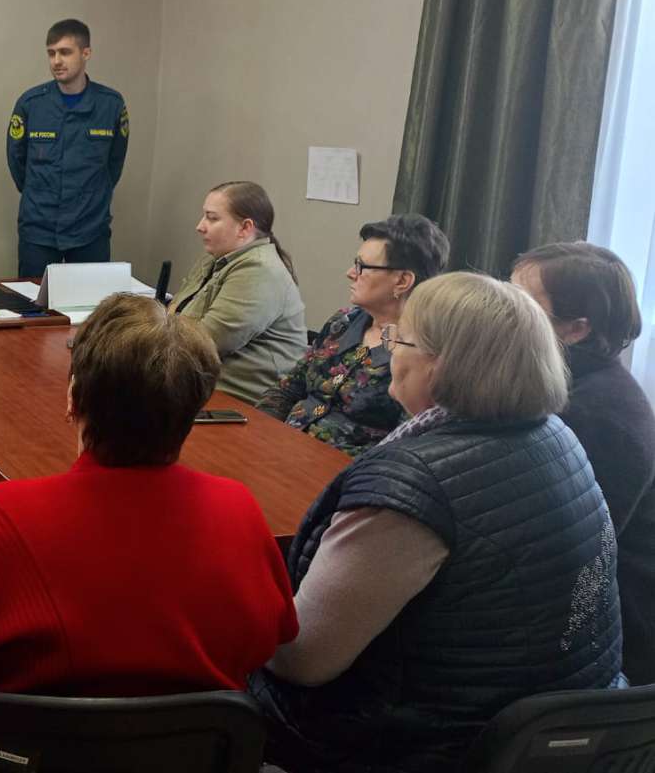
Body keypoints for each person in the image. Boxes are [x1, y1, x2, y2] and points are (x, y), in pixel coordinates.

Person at [0, 293, 298, 768]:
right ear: (193, 412)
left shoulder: (2, 515)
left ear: (73, 398)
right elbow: (269, 640)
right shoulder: (239, 511)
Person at [253, 273, 623, 773]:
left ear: (441, 364)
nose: (390, 352)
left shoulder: (412, 487)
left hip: (426, 748)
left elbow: (303, 659)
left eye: (400, 339)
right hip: (559, 740)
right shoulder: (556, 437)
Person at [512, 241, 655, 685]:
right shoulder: (561, 385)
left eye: (520, 302)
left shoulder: (597, 415)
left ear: (575, 330)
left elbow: (573, 557)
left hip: (606, 636)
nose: (500, 308)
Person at [257, 214, 449, 456]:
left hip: (344, 468)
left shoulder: (421, 352)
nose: (350, 273)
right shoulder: (343, 322)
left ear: (402, 280)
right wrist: (258, 431)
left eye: (362, 266)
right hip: (282, 446)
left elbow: (401, 447)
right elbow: (288, 388)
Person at [7, 18, 129, 277]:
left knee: (90, 300)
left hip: (90, 229)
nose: (56, 61)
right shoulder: (31, 104)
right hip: (39, 227)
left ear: (86, 53)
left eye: (65, 52)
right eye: (51, 53)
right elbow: (17, 162)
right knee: (32, 299)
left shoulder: (110, 105)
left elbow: (114, 164)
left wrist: (94, 197)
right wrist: (39, 193)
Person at [167, 181, 306, 404]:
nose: (200, 226)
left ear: (245, 228)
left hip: (239, 400)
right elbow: (174, 312)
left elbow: (204, 344)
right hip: (196, 383)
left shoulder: (259, 271)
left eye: (212, 218)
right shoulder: (215, 258)